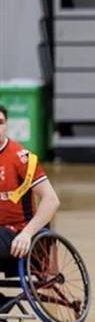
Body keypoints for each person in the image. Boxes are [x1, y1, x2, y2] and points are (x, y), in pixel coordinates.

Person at [0, 103, 61, 274]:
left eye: (1, 122)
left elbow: (51, 200)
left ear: (6, 126)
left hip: (18, 231)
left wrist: (27, 233)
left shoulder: (21, 158)